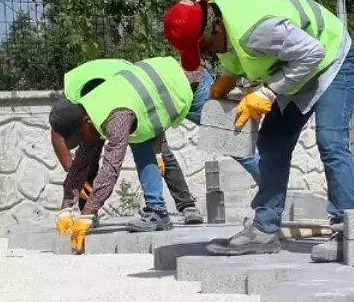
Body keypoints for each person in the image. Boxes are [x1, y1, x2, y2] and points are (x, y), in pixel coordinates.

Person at [162, 0, 354, 263]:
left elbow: (313, 53)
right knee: (272, 143)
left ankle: (350, 232)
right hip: (297, 65)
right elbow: (236, 51)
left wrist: (268, 92)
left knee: (331, 141)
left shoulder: (257, 29)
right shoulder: (206, 13)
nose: (206, 54)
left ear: (216, 26)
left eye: (206, 48)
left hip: (331, 58)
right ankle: (264, 230)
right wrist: (228, 77)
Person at [49, 58, 224, 231]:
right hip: (151, 97)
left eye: (80, 136)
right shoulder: (75, 104)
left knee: (232, 137)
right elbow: (78, 156)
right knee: (132, 146)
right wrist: (66, 208)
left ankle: (186, 205)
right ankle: (157, 211)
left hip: (191, 83)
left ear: (86, 120)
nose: (81, 141)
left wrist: (86, 215)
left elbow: (111, 168)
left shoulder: (117, 113)